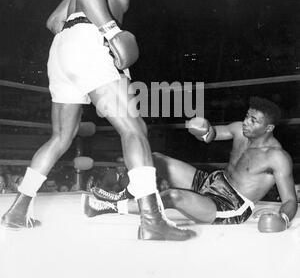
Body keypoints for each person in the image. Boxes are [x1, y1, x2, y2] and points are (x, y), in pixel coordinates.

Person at [1, 0, 195, 241]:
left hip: (64, 48)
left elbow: (54, 21)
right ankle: (151, 220)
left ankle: (17, 210)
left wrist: (85, 39)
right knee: (134, 129)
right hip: (88, 42)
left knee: (61, 137)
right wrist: (110, 32)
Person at [82, 97, 297, 231]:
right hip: (213, 181)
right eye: (247, 117)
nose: (247, 123)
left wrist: (283, 219)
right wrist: (203, 129)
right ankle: (125, 193)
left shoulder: (277, 157)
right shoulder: (239, 128)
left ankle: (107, 207)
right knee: (154, 158)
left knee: (174, 196)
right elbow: (212, 134)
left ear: (268, 128)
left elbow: (289, 200)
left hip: (230, 205)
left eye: (254, 121)